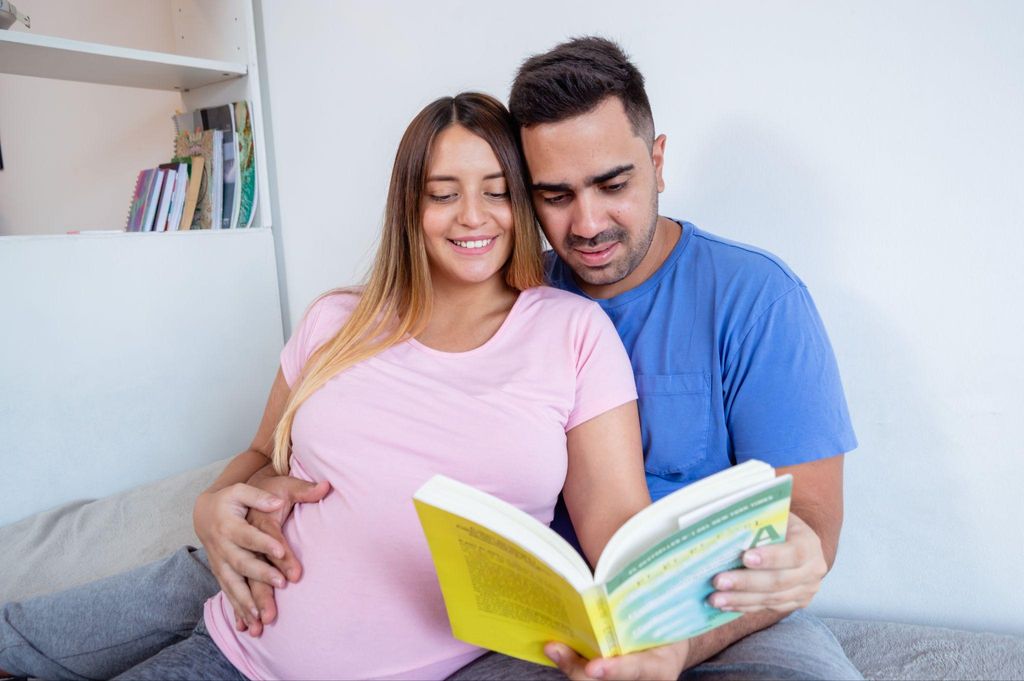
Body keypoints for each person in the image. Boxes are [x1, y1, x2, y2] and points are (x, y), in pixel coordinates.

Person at [0, 92, 653, 680]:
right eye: (443, 192)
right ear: (410, 204)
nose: (471, 216)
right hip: (240, 649)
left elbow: (621, 529)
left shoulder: (575, 333)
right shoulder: (337, 319)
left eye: (495, 189)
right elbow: (260, 453)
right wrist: (212, 505)